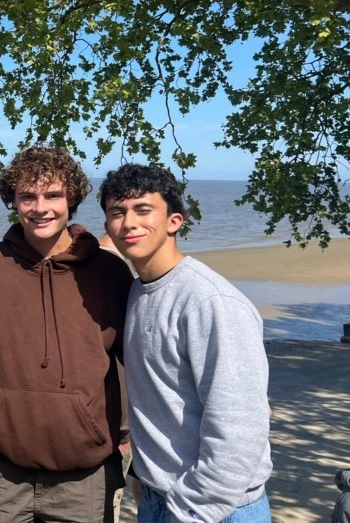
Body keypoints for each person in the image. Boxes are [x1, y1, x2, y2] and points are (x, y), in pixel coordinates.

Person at [0, 147, 132, 523]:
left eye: (52, 195)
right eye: (27, 196)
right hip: (1, 468)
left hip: (86, 472)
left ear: (72, 198)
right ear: (13, 201)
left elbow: (138, 362)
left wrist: (129, 434)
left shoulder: (109, 273)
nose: (41, 207)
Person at [99, 164, 272, 523]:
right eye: (118, 212)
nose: (129, 222)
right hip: (158, 495)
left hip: (215, 509)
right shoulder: (138, 290)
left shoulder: (211, 302)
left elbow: (239, 427)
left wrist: (193, 510)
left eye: (143, 210)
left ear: (174, 221)